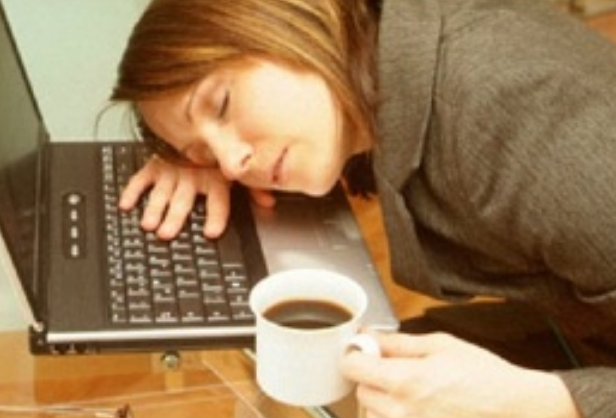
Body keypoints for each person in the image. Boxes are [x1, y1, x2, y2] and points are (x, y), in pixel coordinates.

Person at [110, 0, 616, 416]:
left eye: (221, 104)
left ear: (287, 17)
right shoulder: (379, 50)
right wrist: (194, 161)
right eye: (204, 153)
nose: (231, 160)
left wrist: (548, 403)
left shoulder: (516, 119)